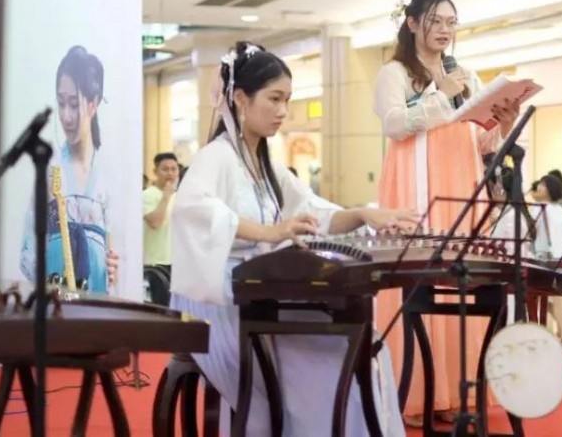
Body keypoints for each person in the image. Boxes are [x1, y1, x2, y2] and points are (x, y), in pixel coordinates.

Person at [170, 42, 418, 436]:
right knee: (328, 361)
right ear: (240, 99)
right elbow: (193, 211)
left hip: (262, 294)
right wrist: (270, 231)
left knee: (365, 347)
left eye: (287, 99)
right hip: (221, 304)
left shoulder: (267, 165)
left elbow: (314, 211)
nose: (283, 111)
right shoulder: (216, 156)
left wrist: (364, 213)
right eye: (274, 99)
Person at [372, 0, 520, 427]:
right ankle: (418, 393)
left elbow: (477, 138)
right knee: (419, 283)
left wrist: (502, 122)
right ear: (413, 22)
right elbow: (395, 125)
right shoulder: (395, 72)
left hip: (461, 180)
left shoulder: (465, 73)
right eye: (436, 21)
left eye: (451, 22)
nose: (444, 31)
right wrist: (440, 94)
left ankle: (459, 390)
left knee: (463, 286)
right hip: (416, 183)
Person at [21, 45, 118, 293]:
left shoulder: (108, 173)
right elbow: (28, 251)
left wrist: (112, 266)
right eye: (61, 103)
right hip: (56, 302)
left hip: (97, 303)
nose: (65, 116)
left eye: (74, 104)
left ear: (93, 104)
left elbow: (116, 254)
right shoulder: (51, 169)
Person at [529, 174, 562, 351]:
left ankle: (555, 337)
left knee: (539, 298)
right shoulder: (559, 210)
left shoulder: (539, 209)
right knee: (557, 299)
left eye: (542, 185)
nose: (538, 187)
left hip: (545, 259)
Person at [142, 152, 179, 306]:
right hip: (155, 263)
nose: (170, 173)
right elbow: (155, 222)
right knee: (160, 309)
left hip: (177, 263)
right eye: (165, 169)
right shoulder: (146, 195)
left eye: (174, 169)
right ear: (155, 171)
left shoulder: (181, 196)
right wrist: (166, 197)